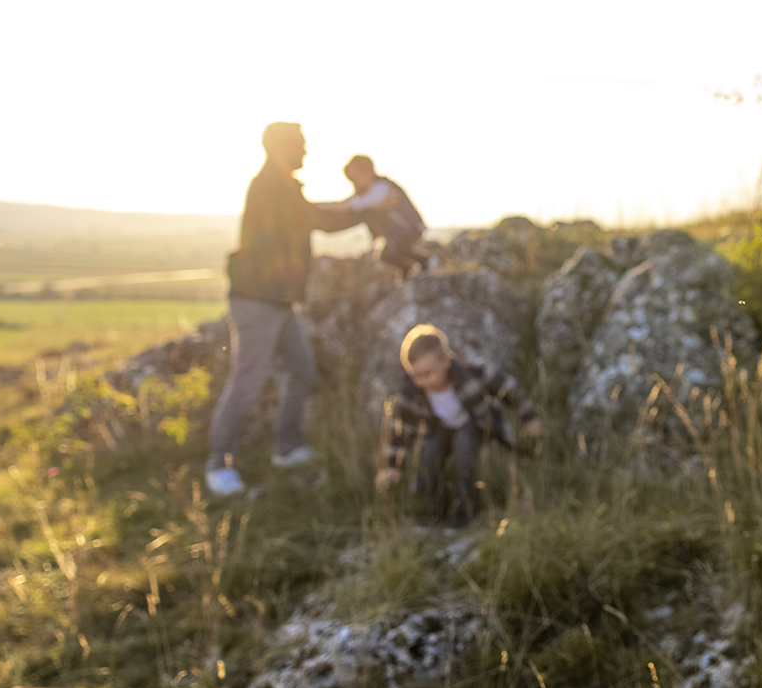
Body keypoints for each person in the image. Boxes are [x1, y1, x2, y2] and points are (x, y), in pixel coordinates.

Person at [204, 122, 363, 498]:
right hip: (257, 301)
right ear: (280, 148)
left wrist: (358, 208)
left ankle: (287, 448)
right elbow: (318, 219)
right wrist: (366, 207)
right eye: (301, 145)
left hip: (275, 300)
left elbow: (312, 213)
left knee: (302, 371)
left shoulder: (281, 187)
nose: (306, 152)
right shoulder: (272, 187)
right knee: (247, 382)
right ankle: (218, 465)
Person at [376, 324, 542, 525]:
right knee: (428, 452)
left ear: (446, 360)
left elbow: (508, 387)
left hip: (474, 425)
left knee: (464, 446)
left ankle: (467, 513)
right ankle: (437, 511)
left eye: (429, 374)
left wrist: (529, 417)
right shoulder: (412, 392)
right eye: (416, 376)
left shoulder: (470, 375)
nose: (423, 381)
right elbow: (398, 428)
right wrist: (392, 466)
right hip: (440, 429)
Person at [338, 154, 432, 278]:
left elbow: (358, 204)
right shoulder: (369, 190)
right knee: (385, 256)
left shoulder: (381, 187)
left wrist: (335, 207)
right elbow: (354, 202)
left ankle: (426, 261)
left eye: (355, 178)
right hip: (401, 231)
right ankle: (407, 270)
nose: (353, 183)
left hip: (411, 228)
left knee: (399, 248)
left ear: (368, 171)